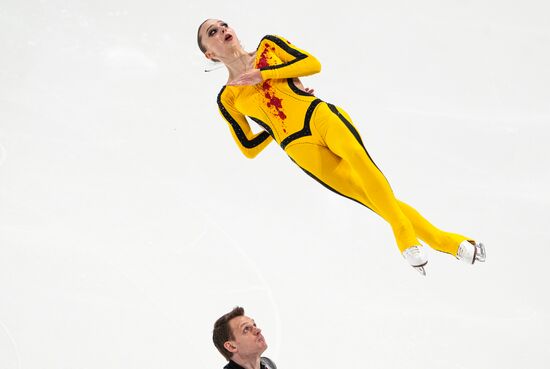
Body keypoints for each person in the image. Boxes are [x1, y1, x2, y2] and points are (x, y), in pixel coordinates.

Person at [196, 19, 486, 275]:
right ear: (210, 53)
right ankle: (446, 242)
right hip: (297, 146)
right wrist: (272, 128)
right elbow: (247, 145)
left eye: (224, 25)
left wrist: (266, 74)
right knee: (370, 196)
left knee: (361, 162)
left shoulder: (269, 47)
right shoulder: (227, 98)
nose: (223, 30)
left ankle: (404, 235)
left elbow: (312, 64)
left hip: (318, 116)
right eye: (213, 31)